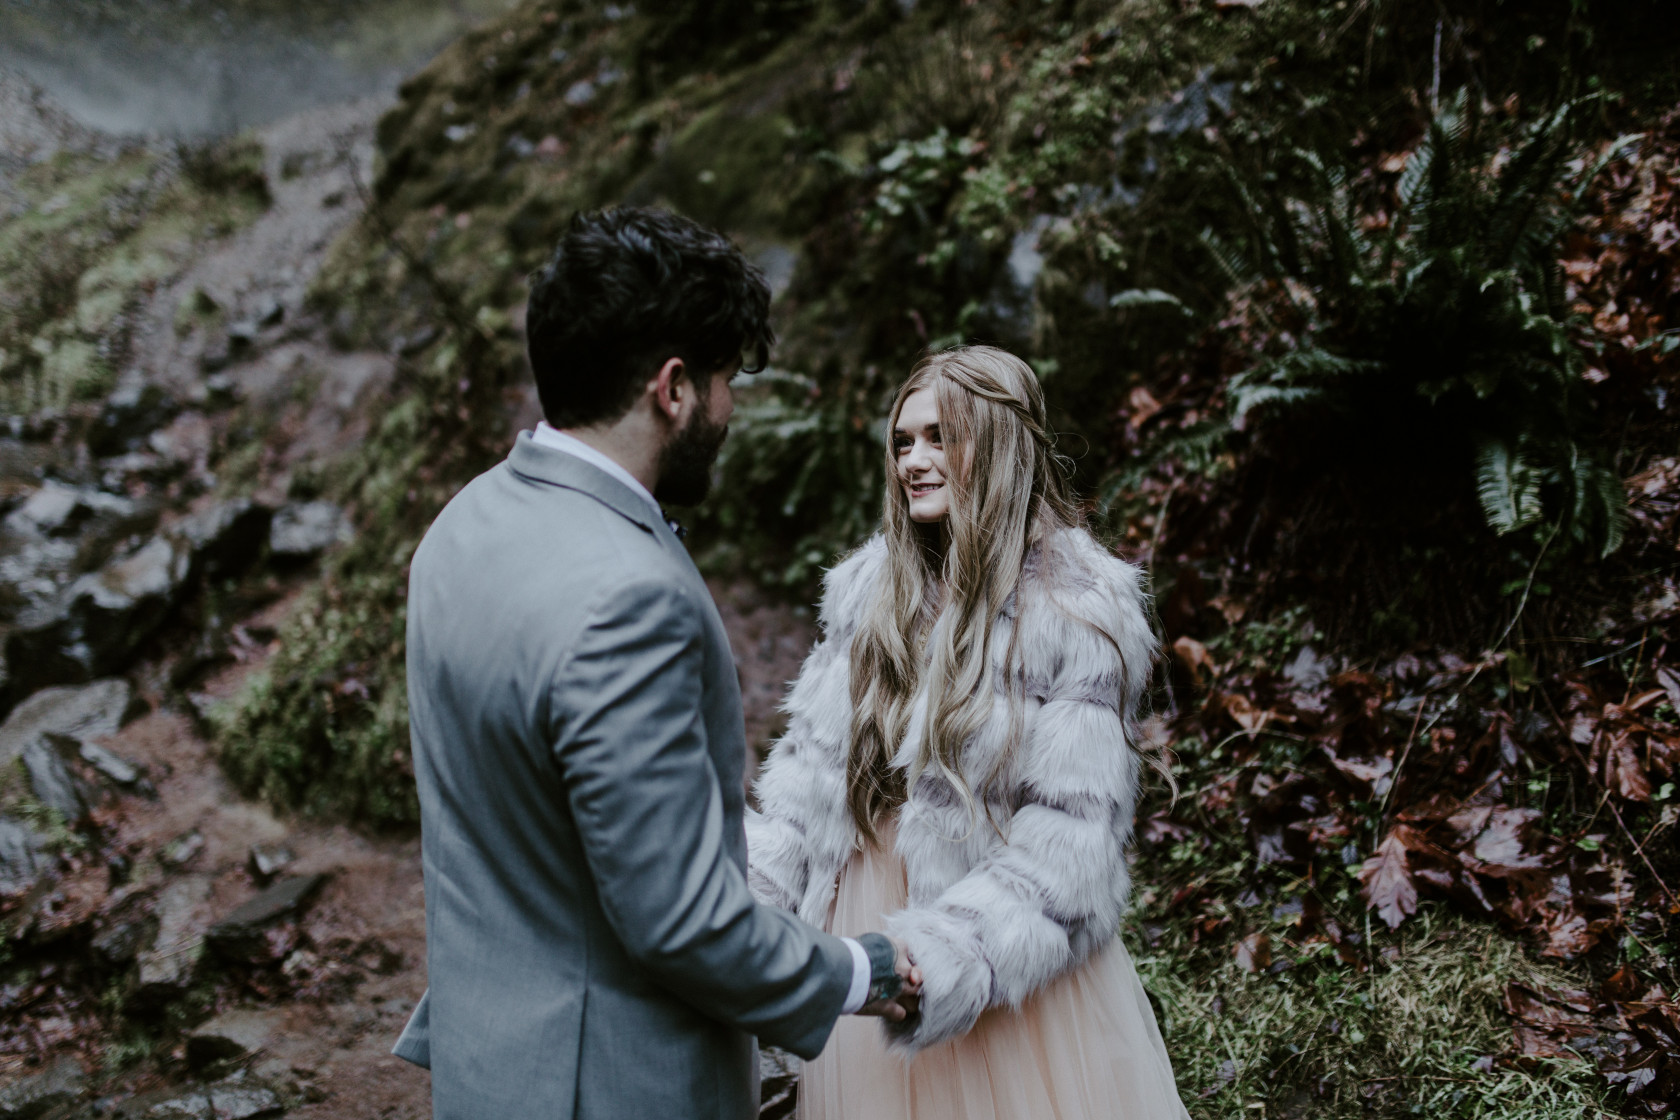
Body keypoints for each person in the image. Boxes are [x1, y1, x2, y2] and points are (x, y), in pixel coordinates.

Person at [393, 206, 920, 1120]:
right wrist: (854, 969)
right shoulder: (630, 601)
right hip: (610, 1085)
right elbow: (681, 921)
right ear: (671, 389)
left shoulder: (462, 525)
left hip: (490, 1068)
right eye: (724, 383)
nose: (728, 410)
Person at [747, 345, 1191, 1119]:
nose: (914, 461)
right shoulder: (868, 593)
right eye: (902, 442)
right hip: (865, 930)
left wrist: (941, 962)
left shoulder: (1078, 607)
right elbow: (806, 783)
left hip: (994, 963)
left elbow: (1071, 853)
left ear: (998, 441)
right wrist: (748, 910)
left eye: (939, 437)